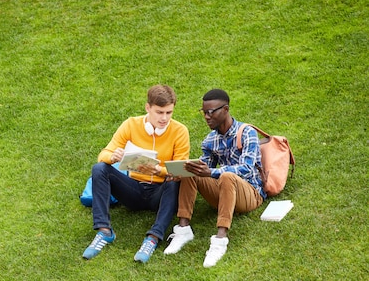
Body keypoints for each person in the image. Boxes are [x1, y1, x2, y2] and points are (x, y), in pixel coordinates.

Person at [82, 85, 190, 263]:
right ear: (148, 108)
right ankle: (104, 231)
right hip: (133, 190)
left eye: (169, 112)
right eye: (159, 112)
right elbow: (103, 155)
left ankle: (153, 238)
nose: (164, 118)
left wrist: (159, 170)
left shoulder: (180, 131)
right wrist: (112, 157)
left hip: (160, 193)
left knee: (174, 182)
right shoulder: (131, 124)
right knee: (99, 169)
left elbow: (180, 169)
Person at [163, 88, 265, 267]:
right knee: (191, 169)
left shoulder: (247, 132)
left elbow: (247, 168)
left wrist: (212, 172)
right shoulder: (210, 140)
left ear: (225, 110)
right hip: (224, 194)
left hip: (251, 195)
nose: (206, 117)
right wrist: (182, 173)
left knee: (226, 176)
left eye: (211, 112)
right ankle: (183, 229)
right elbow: (204, 169)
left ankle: (220, 240)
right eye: (204, 112)